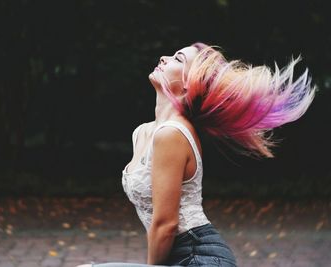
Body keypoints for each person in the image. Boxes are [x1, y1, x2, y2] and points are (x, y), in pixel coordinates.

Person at [77, 42, 316, 267]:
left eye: (177, 59)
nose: (164, 58)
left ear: (188, 84)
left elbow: (166, 224)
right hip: (180, 255)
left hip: (199, 256)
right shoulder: (143, 133)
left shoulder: (172, 134)